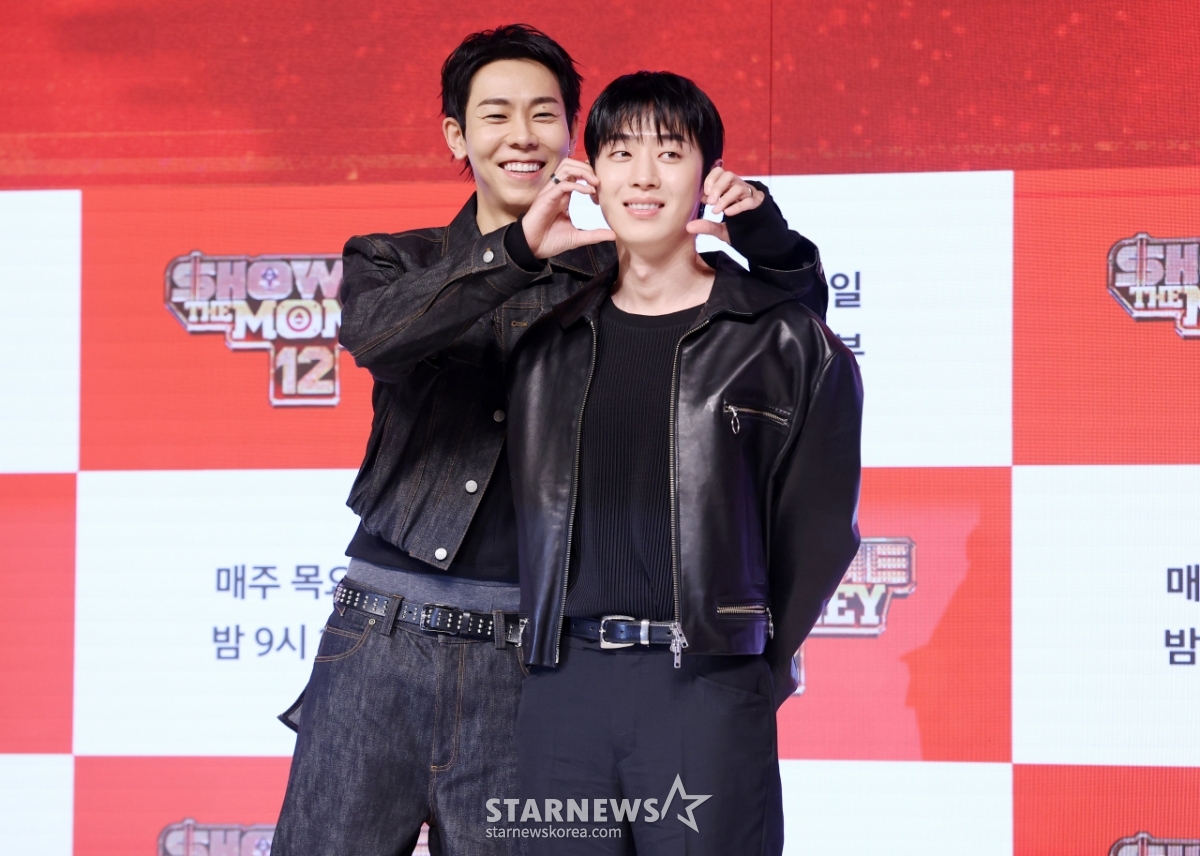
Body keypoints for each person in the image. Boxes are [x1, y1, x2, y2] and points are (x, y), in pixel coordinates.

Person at [272, 23, 830, 856]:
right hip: (379, 633)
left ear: (574, 136)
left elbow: (785, 330)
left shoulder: (617, 273)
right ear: (457, 135)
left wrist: (766, 237)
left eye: (544, 114)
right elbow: (378, 337)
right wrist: (519, 251)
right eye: (495, 115)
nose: (522, 135)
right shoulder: (396, 260)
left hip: (532, 654)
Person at [506, 71, 863, 855]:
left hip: (704, 685)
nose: (643, 176)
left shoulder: (780, 339)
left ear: (709, 177)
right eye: (620, 153)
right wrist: (519, 254)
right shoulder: (543, 343)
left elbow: (819, 531)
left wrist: (749, 666)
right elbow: (398, 340)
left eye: (669, 153)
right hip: (562, 688)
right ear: (589, 176)